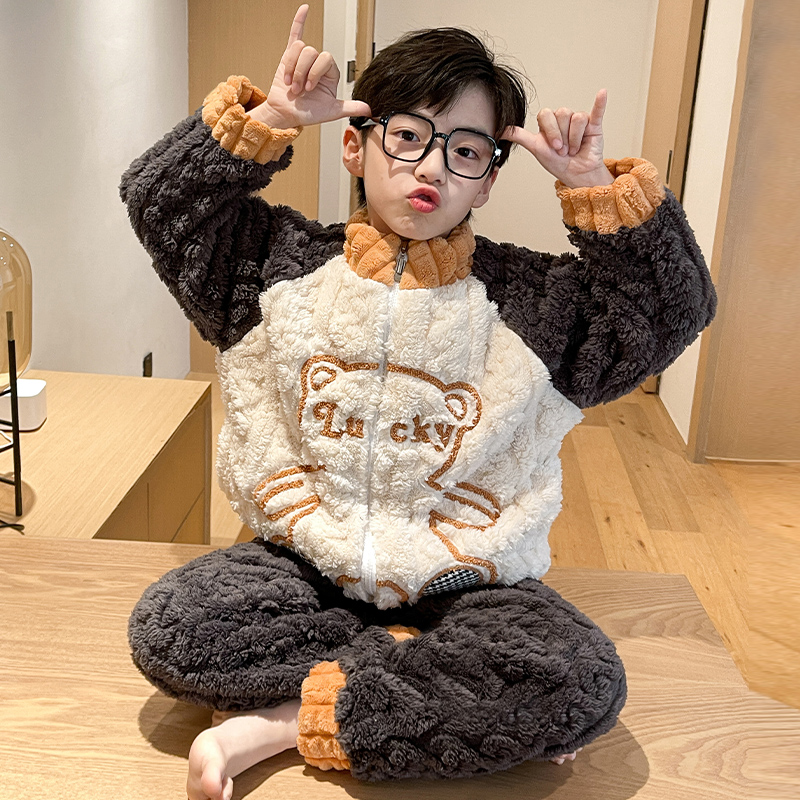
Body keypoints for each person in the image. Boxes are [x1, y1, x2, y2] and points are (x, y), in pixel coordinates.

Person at [120, 5, 715, 799]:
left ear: (490, 178)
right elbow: (159, 202)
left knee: (576, 681)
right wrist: (272, 118)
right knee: (176, 628)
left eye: (465, 151)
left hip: (472, 583)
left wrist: (592, 189)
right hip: (300, 568)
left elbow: (673, 308)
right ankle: (428, 693)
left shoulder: (539, 308)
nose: (432, 167)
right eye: (407, 136)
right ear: (355, 144)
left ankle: (284, 722)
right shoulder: (270, 269)